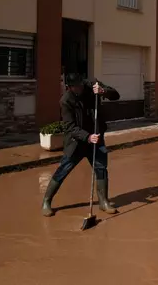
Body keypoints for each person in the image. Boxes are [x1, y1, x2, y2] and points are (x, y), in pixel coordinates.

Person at [42, 74, 120, 217]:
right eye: (75, 87)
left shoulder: (92, 85)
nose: (79, 88)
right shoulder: (66, 101)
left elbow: (115, 95)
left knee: (101, 169)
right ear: (69, 87)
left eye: (80, 85)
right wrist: (87, 137)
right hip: (77, 142)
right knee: (63, 170)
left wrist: (103, 91)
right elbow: (70, 127)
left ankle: (103, 202)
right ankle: (46, 201)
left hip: (96, 137)